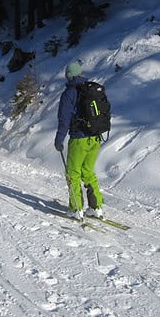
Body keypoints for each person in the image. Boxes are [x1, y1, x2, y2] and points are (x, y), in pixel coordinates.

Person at [54, 62, 104, 220]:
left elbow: (64, 118)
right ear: (81, 74)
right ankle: (96, 207)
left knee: (72, 173)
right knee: (88, 172)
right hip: (95, 137)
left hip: (79, 139)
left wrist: (59, 139)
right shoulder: (91, 90)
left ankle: (76, 209)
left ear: (68, 75)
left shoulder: (70, 93)